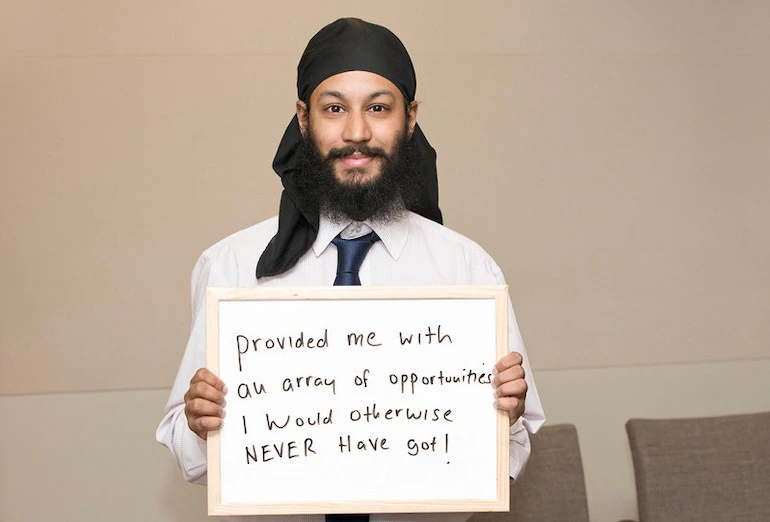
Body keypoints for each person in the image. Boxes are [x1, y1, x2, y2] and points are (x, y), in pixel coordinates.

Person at [157, 17, 545, 522]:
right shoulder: (230, 265)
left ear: (410, 118)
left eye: (378, 108)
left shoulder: (468, 269)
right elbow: (187, 455)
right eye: (334, 108)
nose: (357, 132)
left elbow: (513, 456)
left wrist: (504, 418)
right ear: (303, 119)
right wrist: (197, 422)